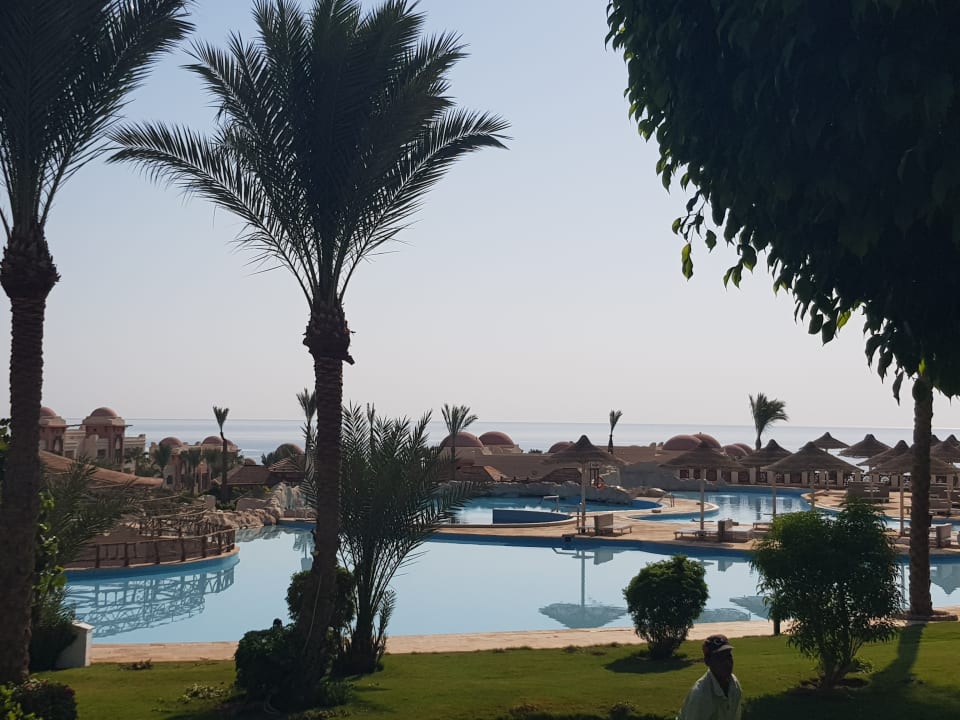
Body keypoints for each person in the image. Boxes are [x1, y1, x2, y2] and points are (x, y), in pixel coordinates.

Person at [676, 634, 742, 720]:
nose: (727, 662)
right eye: (720, 658)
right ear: (707, 661)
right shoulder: (700, 696)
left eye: (728, 656)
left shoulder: (734, 684)